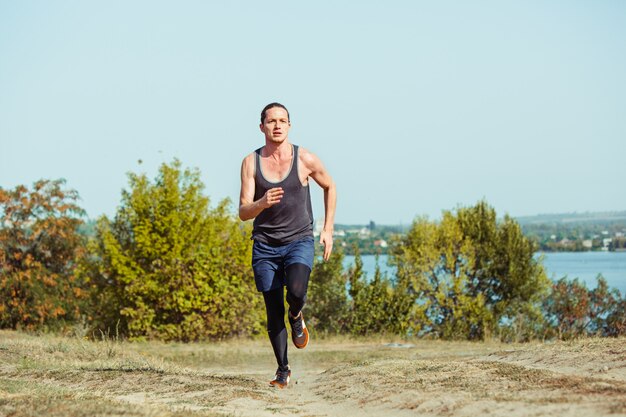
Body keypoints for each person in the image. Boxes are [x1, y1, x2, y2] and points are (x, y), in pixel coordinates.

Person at [239, 102, 336, 388]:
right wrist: (261, 202)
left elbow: (330, 186)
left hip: (298, 240)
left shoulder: (304, 159)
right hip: (265, 246)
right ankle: (283, 369)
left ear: (290, 125)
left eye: (282, 120)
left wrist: (328, 229)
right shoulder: (250, 163)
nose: (277, 125)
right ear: (262, 127)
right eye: (271, 121)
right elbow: (243, 212)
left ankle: (296, 314)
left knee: (296, 291)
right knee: (271, 308)